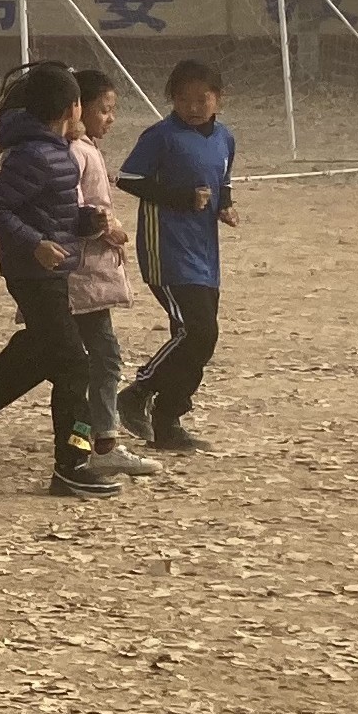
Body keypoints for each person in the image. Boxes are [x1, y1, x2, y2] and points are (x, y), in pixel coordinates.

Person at [0, 61, 118, 496]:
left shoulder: (54, 151)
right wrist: (35, 243)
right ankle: (71, 464)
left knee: (42, 353)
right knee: (74, 364)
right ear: (70, 107)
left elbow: (49, 209)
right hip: (33, 273)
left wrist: (86, 221)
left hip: (51, 269)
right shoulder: (37, 153)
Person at [116, 59, 238, 456]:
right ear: (172, 100)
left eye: (202, 98)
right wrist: (181, 198)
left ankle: (167, 421)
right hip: (165, 249)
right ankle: (138, 392)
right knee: (198, 331)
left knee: (198, 340)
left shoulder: (224, 138)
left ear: (219, 98)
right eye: (183, 98)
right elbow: (129, 179)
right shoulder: (161, 136)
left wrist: (225, 204)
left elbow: (222, 180)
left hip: (204, 252)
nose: (193, 106)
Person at [64, 73, 158, 478]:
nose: (112, 117)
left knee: (39, 352)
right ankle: (103, 441)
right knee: (104, 356)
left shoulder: (87, 150)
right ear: (77, 108)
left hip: (88, 273)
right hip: (80, 273)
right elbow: (76, 209)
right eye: (105, 108)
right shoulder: (73, 153)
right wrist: (106, 229)